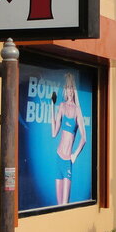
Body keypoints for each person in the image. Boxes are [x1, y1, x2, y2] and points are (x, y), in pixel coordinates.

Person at [50, 73, 86, 206]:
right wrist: (51, 107)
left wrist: (75, 155)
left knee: (65, 205)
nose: (70, 90)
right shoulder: (62, 106)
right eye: (68, 87)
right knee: (58, 205)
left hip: (67, 162)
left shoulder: (77, 111)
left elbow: (84, 138)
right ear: (65, 89)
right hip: (58, 158)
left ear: (74, 90)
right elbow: (54, 133)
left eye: (72, 87)